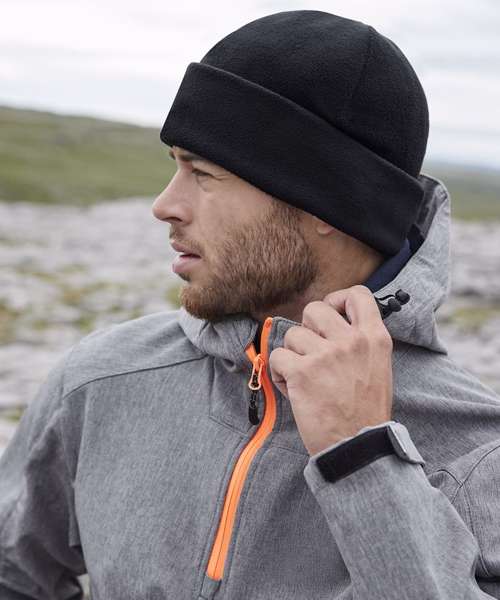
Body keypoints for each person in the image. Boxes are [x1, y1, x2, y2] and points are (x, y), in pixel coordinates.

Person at [1, 9, 499, 600]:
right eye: (175, 165)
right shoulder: (102, 378)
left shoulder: (478, 452)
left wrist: (364, 456)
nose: (165, 205)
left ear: (327, 204)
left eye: (204, 173)